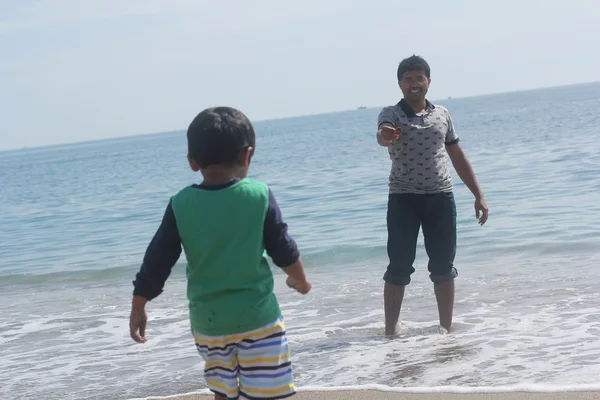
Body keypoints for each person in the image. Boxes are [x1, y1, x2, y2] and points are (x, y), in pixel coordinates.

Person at [129, 106, 311, 400]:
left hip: (208, 326)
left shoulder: (181, 203)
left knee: (224, 392)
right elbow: (283, 248)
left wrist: (139, 304)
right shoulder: (259, 195)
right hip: (258, 321)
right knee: (269, 393)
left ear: (192, 162)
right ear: (246, 154)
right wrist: (301, 281)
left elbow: (158, 260)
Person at [376, 55, 488, 335]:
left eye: (419, 78)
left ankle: (446, 331)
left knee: (443, 266)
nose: (414, 84)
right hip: (404, 200)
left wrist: (478, 194)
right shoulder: (391, 114)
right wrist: (386, 135)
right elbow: (381, 135)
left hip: (441, 198)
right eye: (408, 79)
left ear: (428, 82)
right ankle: (390, 333)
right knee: (399, 267)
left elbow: (457, 155)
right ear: (400, 84)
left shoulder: (442, 115)